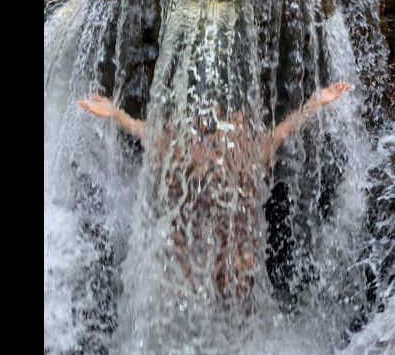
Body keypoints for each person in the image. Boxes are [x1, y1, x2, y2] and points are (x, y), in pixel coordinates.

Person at [78, 83, 352, 298]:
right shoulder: (182, 153)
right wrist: (115, 113)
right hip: (193, 250)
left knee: (240, 267)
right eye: (203, 135)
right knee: (179, 272)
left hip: (233, 251)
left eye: (218, 134)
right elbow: (144, 131)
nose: (211, 144)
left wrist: (316, 102)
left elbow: (284, 131)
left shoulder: (248, 155)